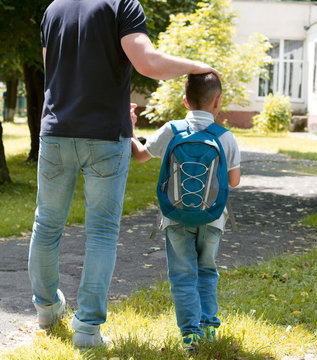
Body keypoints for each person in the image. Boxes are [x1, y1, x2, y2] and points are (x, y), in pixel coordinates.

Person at [29, 0, 219, 349]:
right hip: (104, 137)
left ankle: (46, 310)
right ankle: (86, 330)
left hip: (56, 132)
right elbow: (147, 63)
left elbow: (54, 75)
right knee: (101, 231)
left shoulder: (53, 9)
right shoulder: (122, 5)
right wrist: (197, 65)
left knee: (47, 224)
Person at [131, 72, 241, 351]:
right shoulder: (225, 136)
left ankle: (190, 335)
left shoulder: (172, 130)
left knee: (182, 274)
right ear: (218, 101)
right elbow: (234, 180)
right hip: (213, 217)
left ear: (185, 101)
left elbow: (141, 154)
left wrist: (131, 130)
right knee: (207, 270)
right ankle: (209, 327)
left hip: (175, 216)